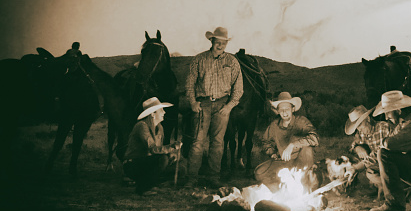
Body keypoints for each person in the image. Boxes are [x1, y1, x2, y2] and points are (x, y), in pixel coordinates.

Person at [348, 90, 411, 211]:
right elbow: (383, 148)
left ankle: (394, 204)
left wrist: (384, 142)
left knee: (385, 155)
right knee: (379, 160)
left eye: (387, 113)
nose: (386, 117)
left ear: (398, 111)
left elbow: (388, 145)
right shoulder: (404, 124)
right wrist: (357, 168)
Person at [185, 27, 243, 188]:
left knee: (217, 143)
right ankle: (192, 179)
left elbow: (238, 88)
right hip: (202, 104)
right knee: (198, 142)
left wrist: (229, 106)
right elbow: (190, 83)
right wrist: (193, 102)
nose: (221, 45)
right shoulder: (199, 59)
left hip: (222, 105)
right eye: (218, 42)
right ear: (212, 41)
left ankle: (213, 177)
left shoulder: (232, 62)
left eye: (224, 43)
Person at [255, 92, 319, 192]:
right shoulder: (274, 125)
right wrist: (272, 153)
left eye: (287, 109)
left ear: (292, 109)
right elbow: (265, 141)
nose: (284, 113)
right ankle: (283, 188)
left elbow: (314, 138)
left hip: (301, 161)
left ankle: (305, 184)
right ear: (277, 111)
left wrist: (293, 145)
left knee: (307, 149)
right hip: (284, 163)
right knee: (259, 172)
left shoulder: (301, 121)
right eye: (281, 110)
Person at [123, 97, 182, 196]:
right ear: (153, 114)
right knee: (163, 159)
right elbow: (153, 149)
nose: (164, 112)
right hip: (133, 164)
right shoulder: (142, 126)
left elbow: (158, 150)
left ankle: (150, 183)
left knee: (180, 168)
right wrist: (171, 147)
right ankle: (143, 188)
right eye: (161, 110)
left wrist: (171, 154)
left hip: (147, 162)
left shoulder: (159, 128)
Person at [344, 105, 398, 193]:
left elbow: (379, 152)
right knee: (371, 171)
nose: (359, 129)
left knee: (370, 171)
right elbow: (351, 147)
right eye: (357, 127)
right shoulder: (362, 133)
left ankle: (397, 188)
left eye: (360, 124)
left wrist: (357, 168)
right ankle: (385, 186)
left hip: (394, 161)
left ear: (368, 120)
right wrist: (357, 148)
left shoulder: (383, 128)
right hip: (380, 164)